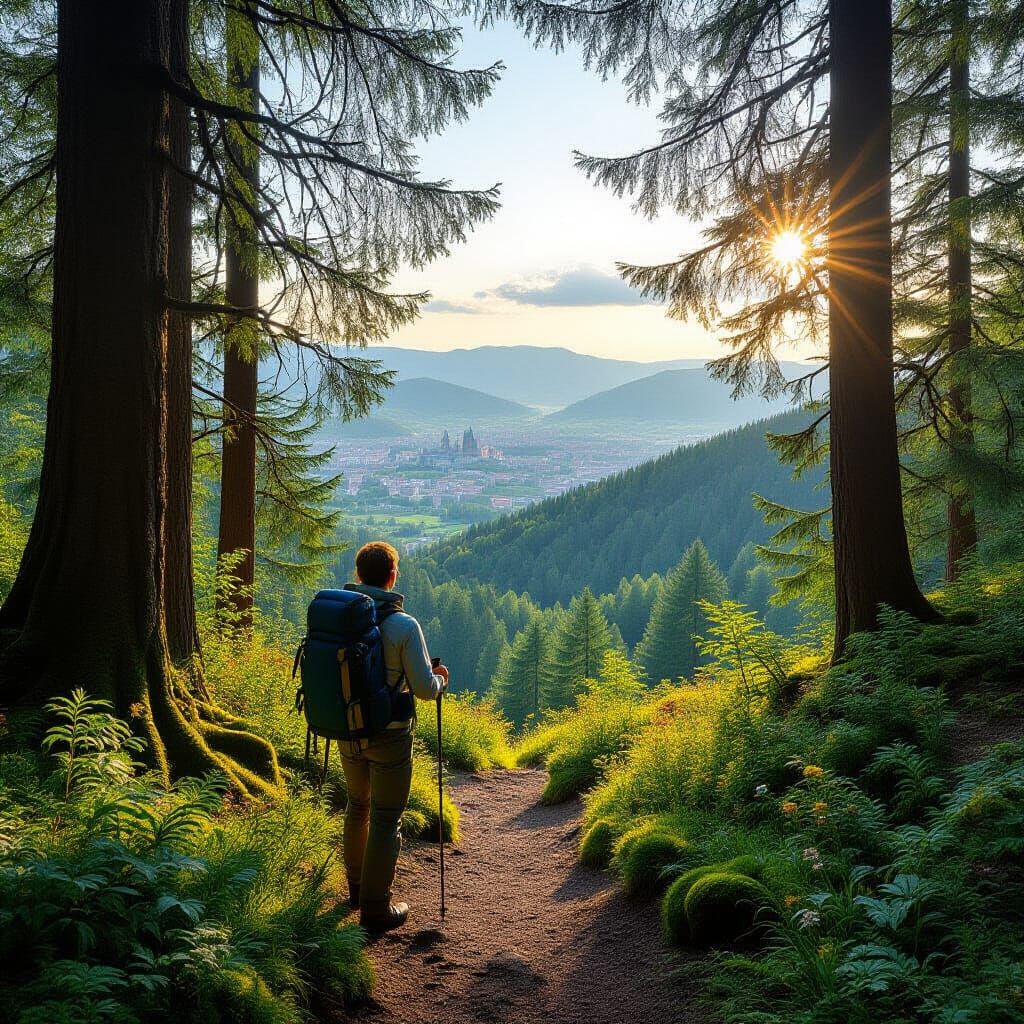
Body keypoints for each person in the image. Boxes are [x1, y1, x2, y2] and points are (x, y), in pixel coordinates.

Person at [339, 541, 448, 933]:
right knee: (386, 818)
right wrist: (440, 680)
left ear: (359, 574)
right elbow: (422, 688)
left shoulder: (341, 616)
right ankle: (375, 909)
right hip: (390, 736)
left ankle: (355, 890)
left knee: (357, 806)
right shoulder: (404, 625)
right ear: (392, 576)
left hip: (348, 730)